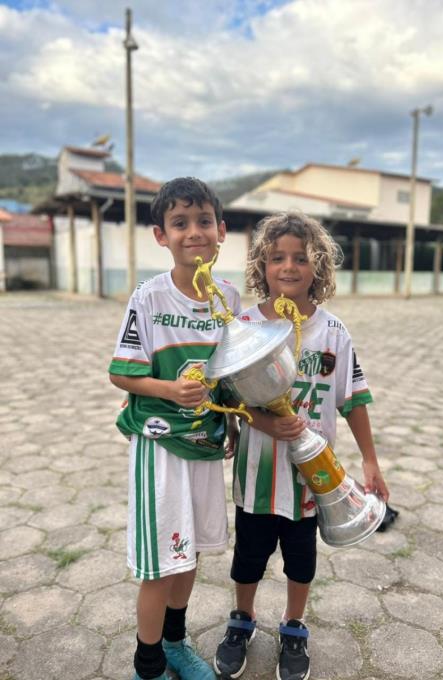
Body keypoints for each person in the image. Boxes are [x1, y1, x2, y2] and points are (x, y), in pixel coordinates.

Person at [214, 212, 389, 680]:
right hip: (256, 475)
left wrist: (370, 461)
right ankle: (242, 620)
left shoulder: (333, 332)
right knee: (247, 557)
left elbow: (353, 399)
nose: (288, 267)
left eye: (300, 258)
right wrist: (263, 424)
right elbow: (227, 398)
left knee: (301, 562)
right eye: (277, 258)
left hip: (310, 483)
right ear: (262, 266)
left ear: (319, 268)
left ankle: (294, 627)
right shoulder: (244, 327)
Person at [108, 177, 241, 680]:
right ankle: (148, 664)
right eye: (180, 223)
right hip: (160, 445)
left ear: (221, 231)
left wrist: (227, 416)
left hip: (205, 445)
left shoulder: (227, 297)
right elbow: (120, 372)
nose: (194, 232)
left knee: (190, 554)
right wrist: (168, 390)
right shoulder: (148, 297)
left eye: (203, 221)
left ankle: (176, 643)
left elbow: (228, 370)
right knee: (160, 562)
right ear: (161, 235)